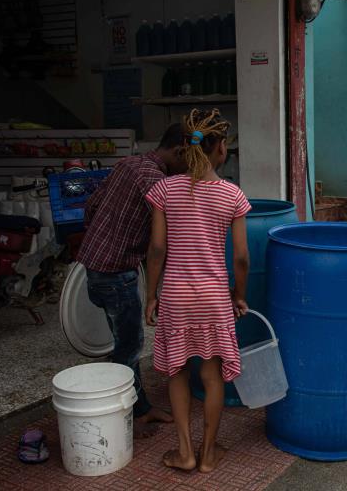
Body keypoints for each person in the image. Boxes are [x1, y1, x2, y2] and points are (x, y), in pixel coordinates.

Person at [144, 109, 251, 473]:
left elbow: (157, 249)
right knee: (211, 373)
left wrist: (151, 294)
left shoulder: (163, 190)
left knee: (176, 372)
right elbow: (241, 258)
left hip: (175, 293)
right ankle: (208, 455)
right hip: (213, 296)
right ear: (220, 148)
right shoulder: (232, 196)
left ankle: (185, 452)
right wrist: (239, 295)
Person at [77, 125, 187, 437]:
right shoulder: (157, 182)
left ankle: (124, 399)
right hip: (116, 272)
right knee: (129, 345)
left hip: (94, 266)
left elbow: (91, 206)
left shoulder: (128, 163)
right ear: (179, 151)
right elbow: (163, 242)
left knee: (121, 339)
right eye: (187, 161)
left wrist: (107, 235)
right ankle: (134, 412)